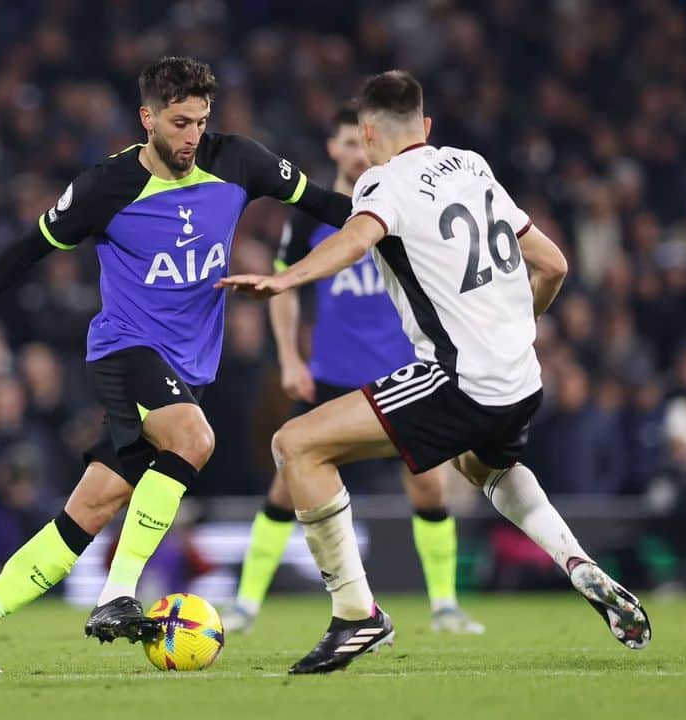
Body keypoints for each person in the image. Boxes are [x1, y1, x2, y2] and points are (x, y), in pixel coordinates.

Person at [0, 56, 352, 672]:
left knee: (88, 509)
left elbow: (327, 202)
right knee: (196, 439)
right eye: (178, 122)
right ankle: (118, 594)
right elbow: (23, 252)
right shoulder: (106, 187)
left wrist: (393, 224)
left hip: (187, 370)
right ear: (146, 118)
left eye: (200, 121)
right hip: (125, 352)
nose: (192, 136)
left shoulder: (241, 162)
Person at [219, 70, 651, 674]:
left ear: (367, 133)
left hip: (459, 380)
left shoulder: (381, 183)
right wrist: (511, 328)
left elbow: (353, 239)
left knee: (296, 446)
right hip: (522, 378)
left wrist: (286, 278)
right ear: (426, 127)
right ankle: (577, 561)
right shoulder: (472, 166)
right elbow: (552, 265)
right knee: (485, 467)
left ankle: (355, 616)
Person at [223, 104, 482, 635]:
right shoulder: (311, 214)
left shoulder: (399, 201)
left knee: (429, 488)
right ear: (332, 148)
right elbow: (285, 289)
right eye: (344, 143)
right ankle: (246, 604)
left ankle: (445, 606)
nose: (354, 152)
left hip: (403, 371)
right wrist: (291, 357)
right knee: (284, 487)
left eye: (359, 143)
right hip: (331, 376)